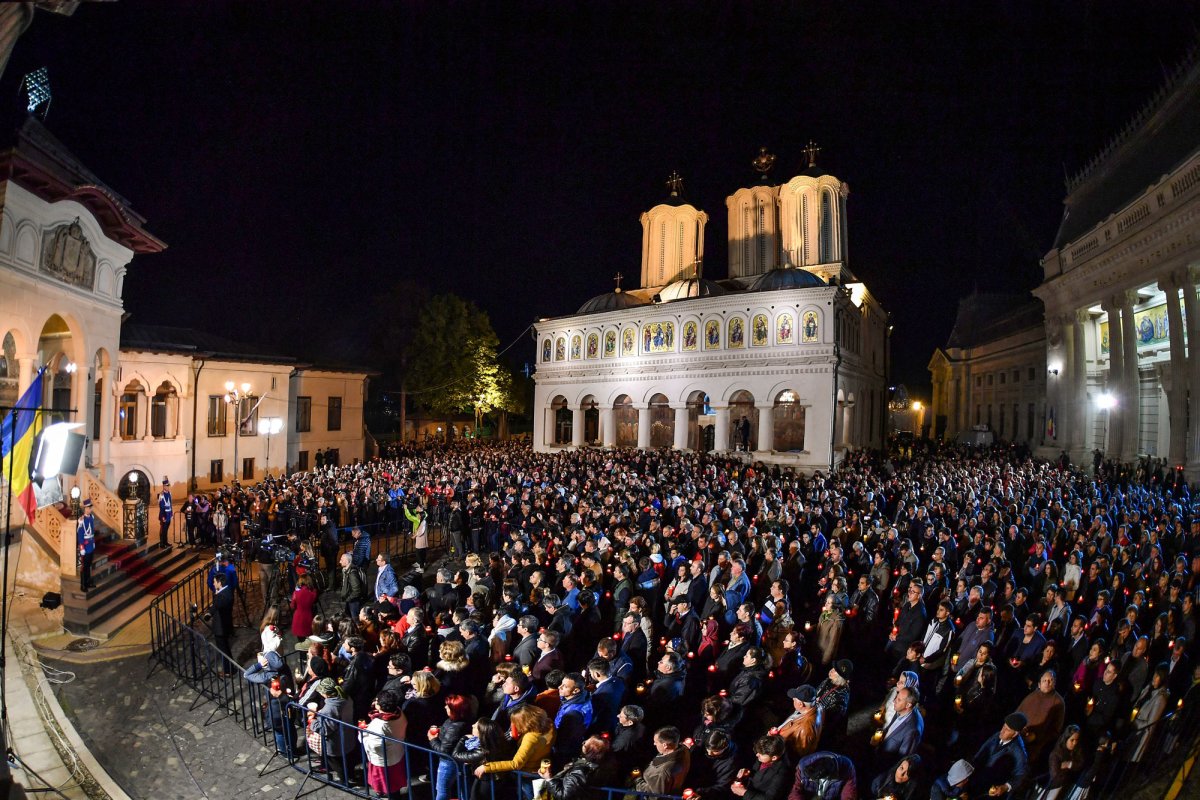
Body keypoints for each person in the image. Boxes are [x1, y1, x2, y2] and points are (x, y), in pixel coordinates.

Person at [473, 704, 554, 779]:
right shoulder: (549, 724)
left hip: (527, 774)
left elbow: (516, 764)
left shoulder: (530, 738)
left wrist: (487, 767)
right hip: (539, 767)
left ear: (525, 722)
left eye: (515, 722)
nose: (514, 725)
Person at [361, 689, 408, 800]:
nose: (375, 702)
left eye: (377, 701)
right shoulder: (398, 712)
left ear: (381, 706)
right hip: (397, 752)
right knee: (394, 781)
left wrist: (362, 735)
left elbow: (374, 746)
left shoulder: (379, 725)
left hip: (384, 759)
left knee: (388, 783)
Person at [969, 712, 1029, 797]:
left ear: (1015, 734)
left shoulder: (1019, 752)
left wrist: (1005, 787)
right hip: (979, 775)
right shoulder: (998, 735)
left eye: (1007, 729)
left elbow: (1021, 775)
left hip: (992, 785)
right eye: (1004, 726)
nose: (1002, 731)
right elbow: (982, 751)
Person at [536, 735, 612, 800]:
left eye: (585, 744)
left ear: (590, 751)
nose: (583, 743)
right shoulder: (599, 765)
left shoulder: (580, 771)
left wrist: (549, 779)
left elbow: (564, 795)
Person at [731, 734, 791, 800]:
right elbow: (759, 775)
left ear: (774, 758)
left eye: (761, 754)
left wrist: (744, 793)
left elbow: (770, 798)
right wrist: (749, 773)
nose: (757, 755)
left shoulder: (781, 772)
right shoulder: (763, 759)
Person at [634, 726, 691, 796]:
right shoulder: (684, 750)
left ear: (665, 745)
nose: (654, 744)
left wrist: (638, 780)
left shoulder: (663, 771)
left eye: (656, 742)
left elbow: (655, 795)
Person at [776, 685, 822, 758]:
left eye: (794, 700)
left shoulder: (805, 728)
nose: (793, 701)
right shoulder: (817, 706)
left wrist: (775, 741)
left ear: (801, 704)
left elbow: (798, 754)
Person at [788, 751, 857, 800]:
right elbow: (795, 791)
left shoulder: (847, 768)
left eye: (812, 779)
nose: (810, 780)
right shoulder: (803, 766)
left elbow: (848, 794)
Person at [211, 571, 235, 667]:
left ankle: (229, 669)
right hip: (225, 625)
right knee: (225, 648)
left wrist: (216, 596)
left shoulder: (222, 596)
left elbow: (217, 605)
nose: (213, 584)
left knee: (223, 650)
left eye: (214, 582)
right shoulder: (227, 591)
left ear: (219, 583)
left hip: (221, 627)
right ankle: (229, 668)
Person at [339, 552, 368, 623]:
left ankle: (357, 632)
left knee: (355, 619)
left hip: (353, 601)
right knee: (348, 616)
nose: (340, 562)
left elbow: (356, 590)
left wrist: (348, 598)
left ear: (347, 561)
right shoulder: (346, 570)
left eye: (341, 560)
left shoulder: (352, 573)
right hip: (349, 599)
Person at [77, 499, 96, 593]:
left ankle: (88, 582)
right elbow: (80, 534)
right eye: (88, 508)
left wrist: (93, 543)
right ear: (84, 509)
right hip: (85, 546)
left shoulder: (91, 517)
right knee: (84, 567)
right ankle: (83, 585)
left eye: (90, 507)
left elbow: (92, 532)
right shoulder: (81, 520)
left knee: (89, 566)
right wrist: (81, 548)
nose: (90, 509)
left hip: (90, 545)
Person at [158, 477, 173, 549]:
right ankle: (162, 543)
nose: (168, 487)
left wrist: (171, 514)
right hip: (164, 515)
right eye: (167, 486)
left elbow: (170, 504)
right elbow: (161, 507)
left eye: (168, 485)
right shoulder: (161, 495)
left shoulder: (170, 493)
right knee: (162, 529)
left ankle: (166, 542)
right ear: (164, 486)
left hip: (169, 515)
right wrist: (162, 517)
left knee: (166, 529)